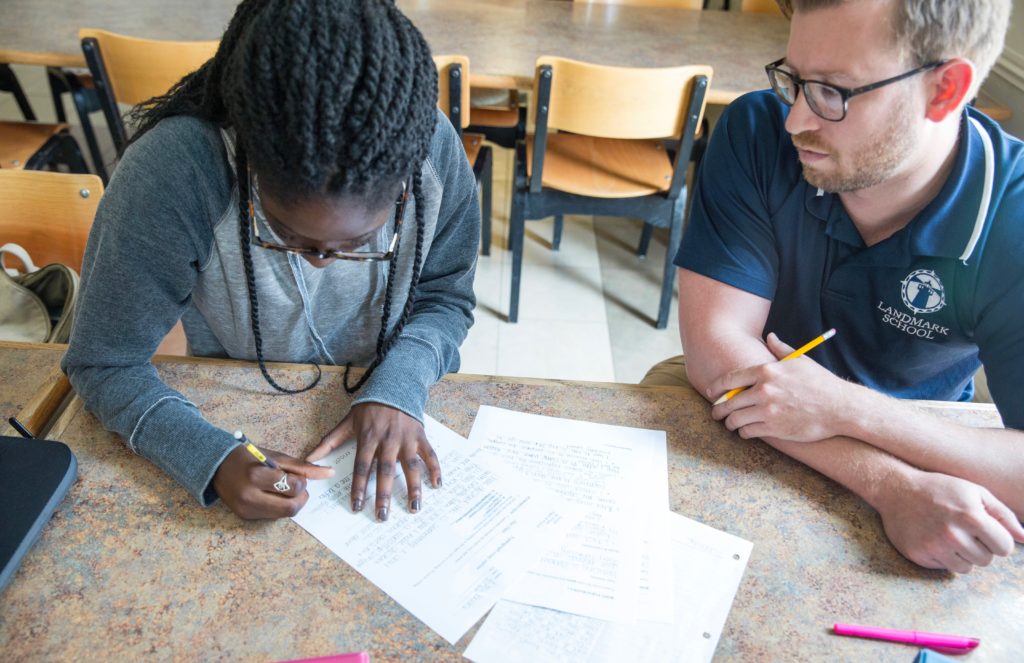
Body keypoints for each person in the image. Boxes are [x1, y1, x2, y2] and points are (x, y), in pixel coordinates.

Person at [62, 0, 479, 523]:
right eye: (288, 235)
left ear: (403, 187)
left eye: (362, 240)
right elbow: (103, 361)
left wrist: (401, 384)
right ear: (250, 163)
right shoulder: (176, 172)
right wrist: (210, 457)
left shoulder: (430, 150)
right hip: (234, 399)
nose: (323, 265)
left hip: (392, 383)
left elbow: (446, 296)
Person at [645, 0, 1024, 573]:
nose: (796, 119)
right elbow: (717, 353)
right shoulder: (756, 129)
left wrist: (843, 408)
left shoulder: (1013, 216)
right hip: (761, 415)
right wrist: (891, 486)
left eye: (833, 91)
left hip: (920, 433)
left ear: (944, 90)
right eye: (794, 79)